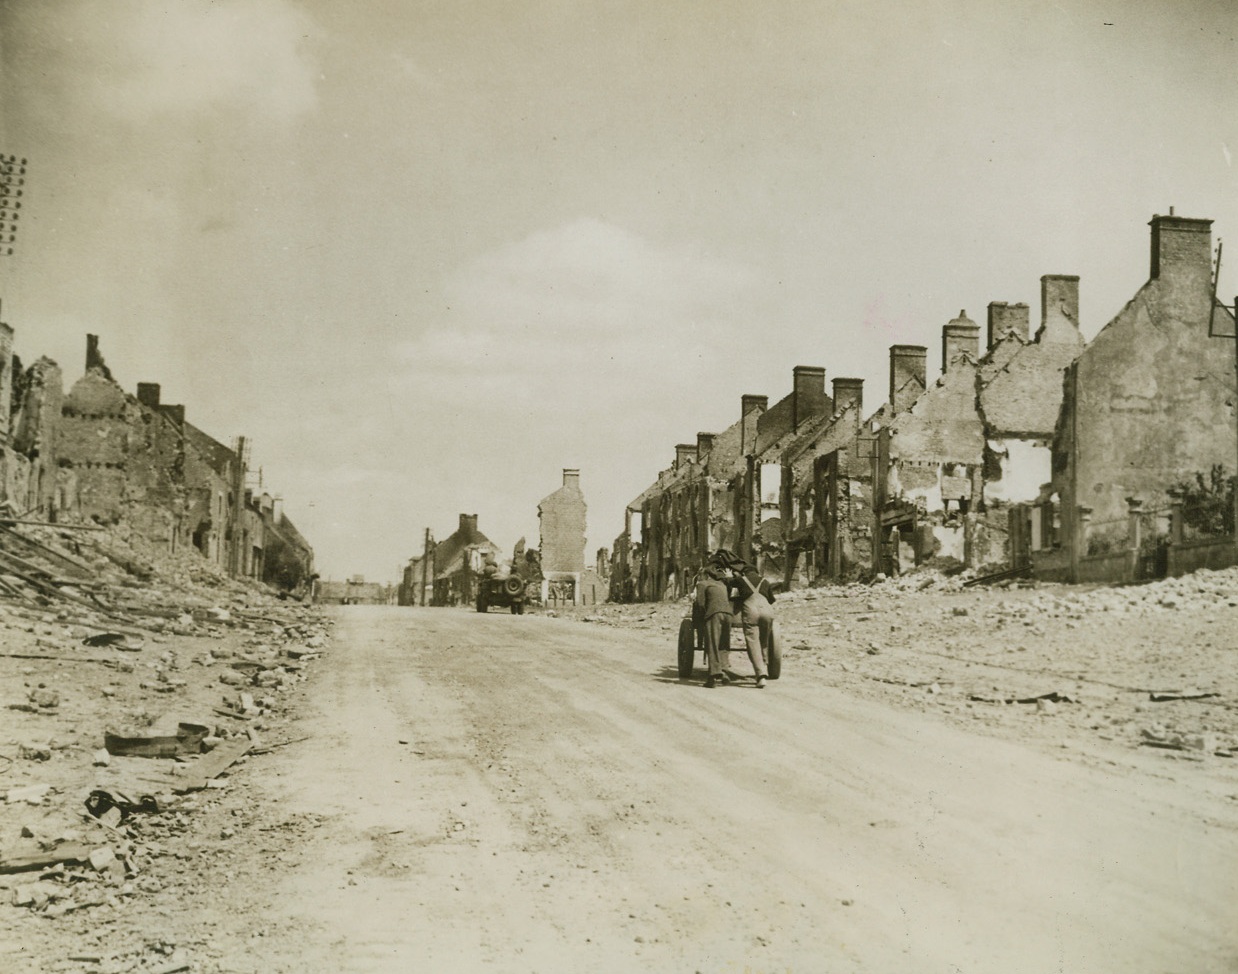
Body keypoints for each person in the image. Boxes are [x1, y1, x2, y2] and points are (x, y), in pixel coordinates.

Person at [727, 560, 774, 688]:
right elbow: (771, 599)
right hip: (767, 610)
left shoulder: (741, 580)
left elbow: (728, 585)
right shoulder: (765, 581)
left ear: (744, 572)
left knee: (753, 641)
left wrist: (733, 576)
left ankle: (761, 675)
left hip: (751, 610)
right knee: (764, 641)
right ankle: (764, 664)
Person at [693, 566, 732, 688]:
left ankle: (714, 675)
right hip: (728, 614)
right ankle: (724, 671)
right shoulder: (722, 585)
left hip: (714, 614)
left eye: (701, 575)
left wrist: (703, 617)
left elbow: (700, 603)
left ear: (705, 575)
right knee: (723, 643)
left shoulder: (702, 584)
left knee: (712, 643)